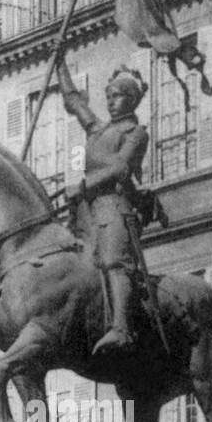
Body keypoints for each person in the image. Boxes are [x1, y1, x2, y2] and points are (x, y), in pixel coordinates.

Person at [56, 57, 150, 355]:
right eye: (108, 96)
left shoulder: (135, 133)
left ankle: (121, 327)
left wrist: (82, 185)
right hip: (87, 211)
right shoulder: (97, 130)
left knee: (113, 261)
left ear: (132, 99)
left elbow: (121, 168)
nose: (111, 102)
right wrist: (59, 61)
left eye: (118, 96)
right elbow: (73, 102)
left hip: (115, 208)